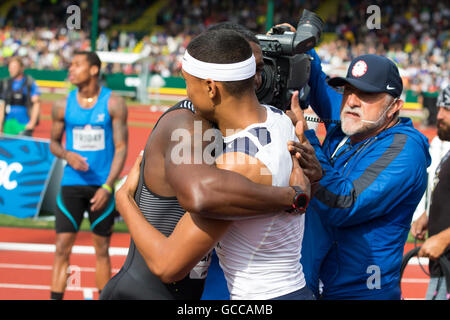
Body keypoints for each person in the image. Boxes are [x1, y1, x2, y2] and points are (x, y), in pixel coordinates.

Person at [101, 29, 313, 300]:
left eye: (189, 83)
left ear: (211, 88)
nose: (187, 93)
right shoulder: (280, 121)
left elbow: (168, 265)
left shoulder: (236, 163)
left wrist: (124, 201)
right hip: (296, 289)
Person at [296, 51, 431, 299]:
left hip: (362, 292)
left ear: (394, 107)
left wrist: (307, 137)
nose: (352, 101)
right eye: (348, 90)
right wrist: (303, 47)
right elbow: (318, 81)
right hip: (319, 286)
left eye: (367, 94)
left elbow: (343, 203)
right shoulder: (360, 119)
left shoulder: (405, 150)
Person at [49, 51, 128, 300]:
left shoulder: (113, 103)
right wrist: (66, 155)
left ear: (94, 70)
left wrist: (108, 186)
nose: (70, 69)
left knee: (102, 248)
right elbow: (53, 142)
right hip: (72, 184)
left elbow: (121, 147)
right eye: (70, 65)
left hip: (101, 186)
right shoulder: (62, 105)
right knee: (62, 247)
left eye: (76, 65)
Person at [411, 86, 450, 300]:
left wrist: (444, 238)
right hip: (441, 268)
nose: (440, 115)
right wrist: (429, 216)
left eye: (448, 109)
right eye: (440, 108)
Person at [0, 57, 41, 136]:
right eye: (10, 67)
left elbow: (36, 103)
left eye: (14, 67)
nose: (11, 70)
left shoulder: (29, 82)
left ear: (21, 68)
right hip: (8, 124)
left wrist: (32, 123)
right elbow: (2, 105)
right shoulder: (5, 83)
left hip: (24, 124)